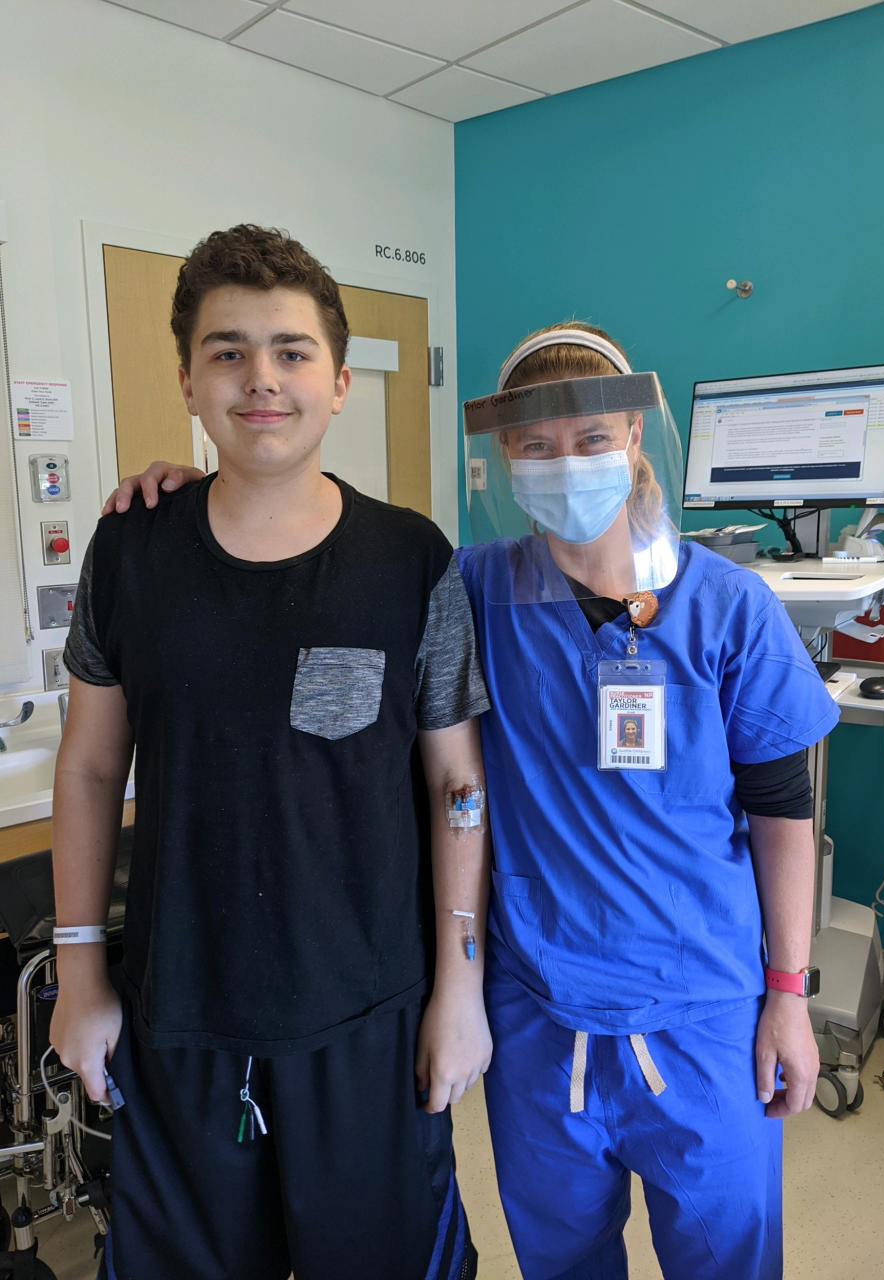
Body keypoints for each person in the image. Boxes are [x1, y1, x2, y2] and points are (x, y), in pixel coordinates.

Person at [110, 322, 840, 1280]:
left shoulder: (728, 608)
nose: (563, 463)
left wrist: (789, 995)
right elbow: (338, 619)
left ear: (632, 441)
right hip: (538, 1009)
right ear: (506, 458)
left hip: (702, 1010)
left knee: (727, 1256)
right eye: (535, 447)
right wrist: (206, 494)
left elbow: (785, 810)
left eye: (588, 440)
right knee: (562, 1258)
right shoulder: (473, 592)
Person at [51, 224, 491, 1280]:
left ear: (340, 382)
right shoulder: (132, 550)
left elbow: (457, 783)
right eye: (228, 351)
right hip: (182, 1009)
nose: (263, 379)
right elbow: (89, 766)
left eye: (292, 352)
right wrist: (77, 973)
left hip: (370, 1009)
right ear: (189, 382)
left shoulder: (410, 558)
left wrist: (461, 989)